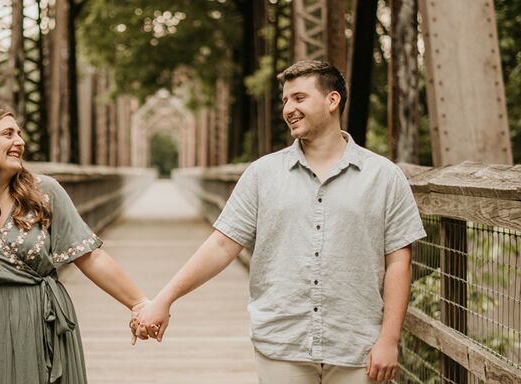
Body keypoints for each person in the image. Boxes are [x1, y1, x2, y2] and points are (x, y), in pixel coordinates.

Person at [133, 60, 426, 383]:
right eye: (285, 100)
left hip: (358, 346)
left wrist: (390, 339)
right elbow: (221, 244)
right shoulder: (262, 174)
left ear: (332, 101)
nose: (288, 108)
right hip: (282, 344)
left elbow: (399, 260)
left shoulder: (383, 176)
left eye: (299, 98)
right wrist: (164, 299)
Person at [0, 107, 148, 384]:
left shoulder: (45, 192)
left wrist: (139, 303)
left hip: (42, 322)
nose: (20, 141)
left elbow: (90, 257)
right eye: (8, 134)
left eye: (19, 133)